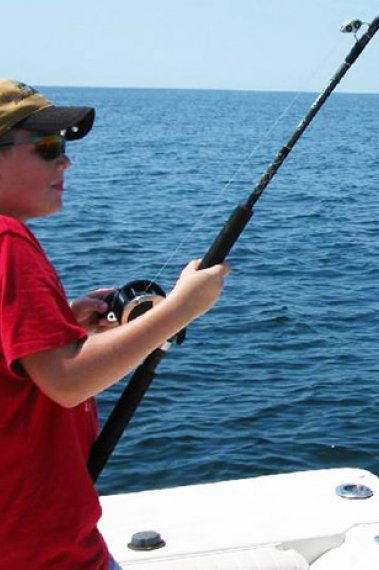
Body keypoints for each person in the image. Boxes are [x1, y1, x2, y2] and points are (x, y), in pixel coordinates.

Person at [0, 79, 231, 569]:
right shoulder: (8, 244)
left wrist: (66, 326)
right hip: (41, 553)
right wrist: (181, 309)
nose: (64, 161)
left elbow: (32, 368)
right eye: (46, 147)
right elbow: (67, 382)